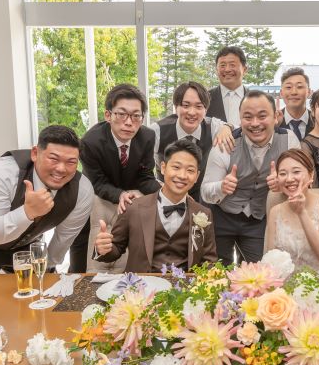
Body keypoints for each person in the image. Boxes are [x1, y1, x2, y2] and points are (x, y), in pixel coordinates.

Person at [0, 125, 93, 274]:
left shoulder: (82, 190)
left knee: (43, 289)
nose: (61, 169)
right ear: (35, 153)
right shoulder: (1, 173)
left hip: (25, 246)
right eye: (53, 159)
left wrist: (46, 270)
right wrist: (27, 213)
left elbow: (63, 239)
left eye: (71, 162)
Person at [70, 84, 161, 272]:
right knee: (81, 257)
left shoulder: (147, 136)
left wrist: (165, 192)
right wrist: (119, 194)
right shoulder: (90, 142)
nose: (128, 122)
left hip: (129, 200)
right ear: (108, 115)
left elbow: (144, 176)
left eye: (136, 116)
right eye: (121, 114)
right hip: (95, 195)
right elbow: (97, 182)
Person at [201, 90, 300, 264]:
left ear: (276, 116)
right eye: (248, 117)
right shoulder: (225, 143)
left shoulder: (288, 140)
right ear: (240, 119)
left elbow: (301, 182)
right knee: (216, 271)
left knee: (261, 271)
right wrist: (221, 187)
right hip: (221, 216)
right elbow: (205, 191)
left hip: (260, 218)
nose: (255, 123)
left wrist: (283, 184)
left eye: (262, 116)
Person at [93, 138, 218, 272]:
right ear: (163, 168)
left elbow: (209, 261)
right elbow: (116, 248)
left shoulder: (204, 214)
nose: (182, 175)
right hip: (141, 283)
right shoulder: (133, 207)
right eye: (176, 167)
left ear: (197, 176)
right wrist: (102, 248)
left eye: (190, 170)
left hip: (185, 284)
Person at [151, 81, 235, 202]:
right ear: (176, 107)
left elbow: (241, 129)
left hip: (201, 198)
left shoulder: (213, 127)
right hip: (164, 195)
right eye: (185, 105)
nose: (191, 112)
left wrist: (228, 127)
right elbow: (143, 170)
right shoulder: (157, 130)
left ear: (206, 109)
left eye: (199, 107)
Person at [265, 149, 319, 270]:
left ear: (311, 175)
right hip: (286, 281)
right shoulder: (275, 212)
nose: (289, 179)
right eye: (283, 174)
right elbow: (270, 261)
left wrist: (301, 212)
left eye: (296, 172)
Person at [206, 46, 248, 127]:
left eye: (232, 65)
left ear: (244, 69)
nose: (227, 69)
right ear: (216, 70)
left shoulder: (257, 99)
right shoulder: (205, 98)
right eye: (222, 65)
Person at [277, 67, 314, 141]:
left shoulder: (317, 121)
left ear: (309, 92)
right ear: (281, 93)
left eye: (299, 87)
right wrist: (273, 128)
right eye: (288, 87)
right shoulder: (273, 121)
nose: (294, 92)